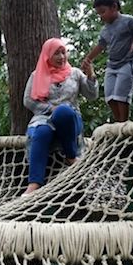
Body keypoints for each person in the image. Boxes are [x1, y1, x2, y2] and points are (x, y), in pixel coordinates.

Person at [23, 37, 98, 194]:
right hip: (44, 117)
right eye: (57, 53)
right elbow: (28, 101)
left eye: (63, 52)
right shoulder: (37, 75)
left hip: (69, 118)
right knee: (41, 131)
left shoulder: (75, 73)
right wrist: (51, 108)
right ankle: (34, 183)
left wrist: (90, 75)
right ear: (47, 56)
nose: (62, 57)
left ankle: (71, 156)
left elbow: (92, 95)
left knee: (64, 111)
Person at [81, 0, 133, 123]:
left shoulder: (129, 21)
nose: (101, 16)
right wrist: (88, 59)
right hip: (112, 65)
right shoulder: (105, 29)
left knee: (121, 96)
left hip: (127, 62)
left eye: (103, 12)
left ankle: (124, 122)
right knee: (110, 97)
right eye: (98, 13)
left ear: (114, 7)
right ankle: (119, 122)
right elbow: (101, 45)